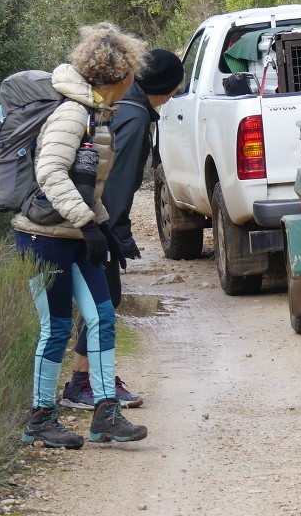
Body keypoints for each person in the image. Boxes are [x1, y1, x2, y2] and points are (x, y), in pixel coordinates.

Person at [16, 22, 149, 449]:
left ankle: (105, 415)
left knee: (102, 317)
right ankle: (40, 419)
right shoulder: (74, 113)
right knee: (55, 328)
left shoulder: (97, 113)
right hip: (42, 237)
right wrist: (88, 224)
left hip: (73, 234)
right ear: (122, 75)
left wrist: (102, 226)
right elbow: (51, 173)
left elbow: (87, 184)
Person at [61, 48, 184, 411]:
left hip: (86, 219)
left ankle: (84, 379)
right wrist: (111, 233)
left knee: (101, 302)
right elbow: (115, 184)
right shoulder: (132, 118)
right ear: (161, 87)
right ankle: (83, 383)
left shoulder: (123, 107)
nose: (175, 94)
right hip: (95, 224)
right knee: (104, 302)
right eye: (174, 87)